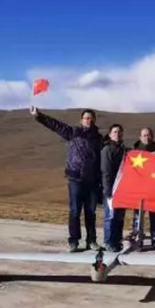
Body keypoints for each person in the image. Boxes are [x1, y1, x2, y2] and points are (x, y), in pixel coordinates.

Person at [30, 106, 102, 252]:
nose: (88, 120)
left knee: (91, 212)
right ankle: (74, 241)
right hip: (75, 178)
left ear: (94, 120)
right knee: (75, 211)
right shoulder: (73, 132)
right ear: (81, 120)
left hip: (92, 180)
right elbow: (56, 125)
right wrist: (39, 116)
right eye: (86, 118)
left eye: (91, 118)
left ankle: (91, 241)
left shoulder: (99, 138)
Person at [131, 127, 155, 252]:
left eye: (149, 135)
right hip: (139, 189)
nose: (147, 137)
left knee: (154, 217)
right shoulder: (133, 152)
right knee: (138, 217)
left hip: (153, 189)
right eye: (144, 135)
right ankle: (137, 242)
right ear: (140, 137)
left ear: (152, 136)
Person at [101, 123, 128, 252]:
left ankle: (117, 241)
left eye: (120, 132)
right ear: (110, 134)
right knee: (110, 216)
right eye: (115, 132)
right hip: (111, 189)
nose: (118, 134)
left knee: (119, 217)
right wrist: (107, 190)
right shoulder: (107, 150)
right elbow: (105, 171)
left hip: (122, 189)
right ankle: (108, 241)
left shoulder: (124, 150)